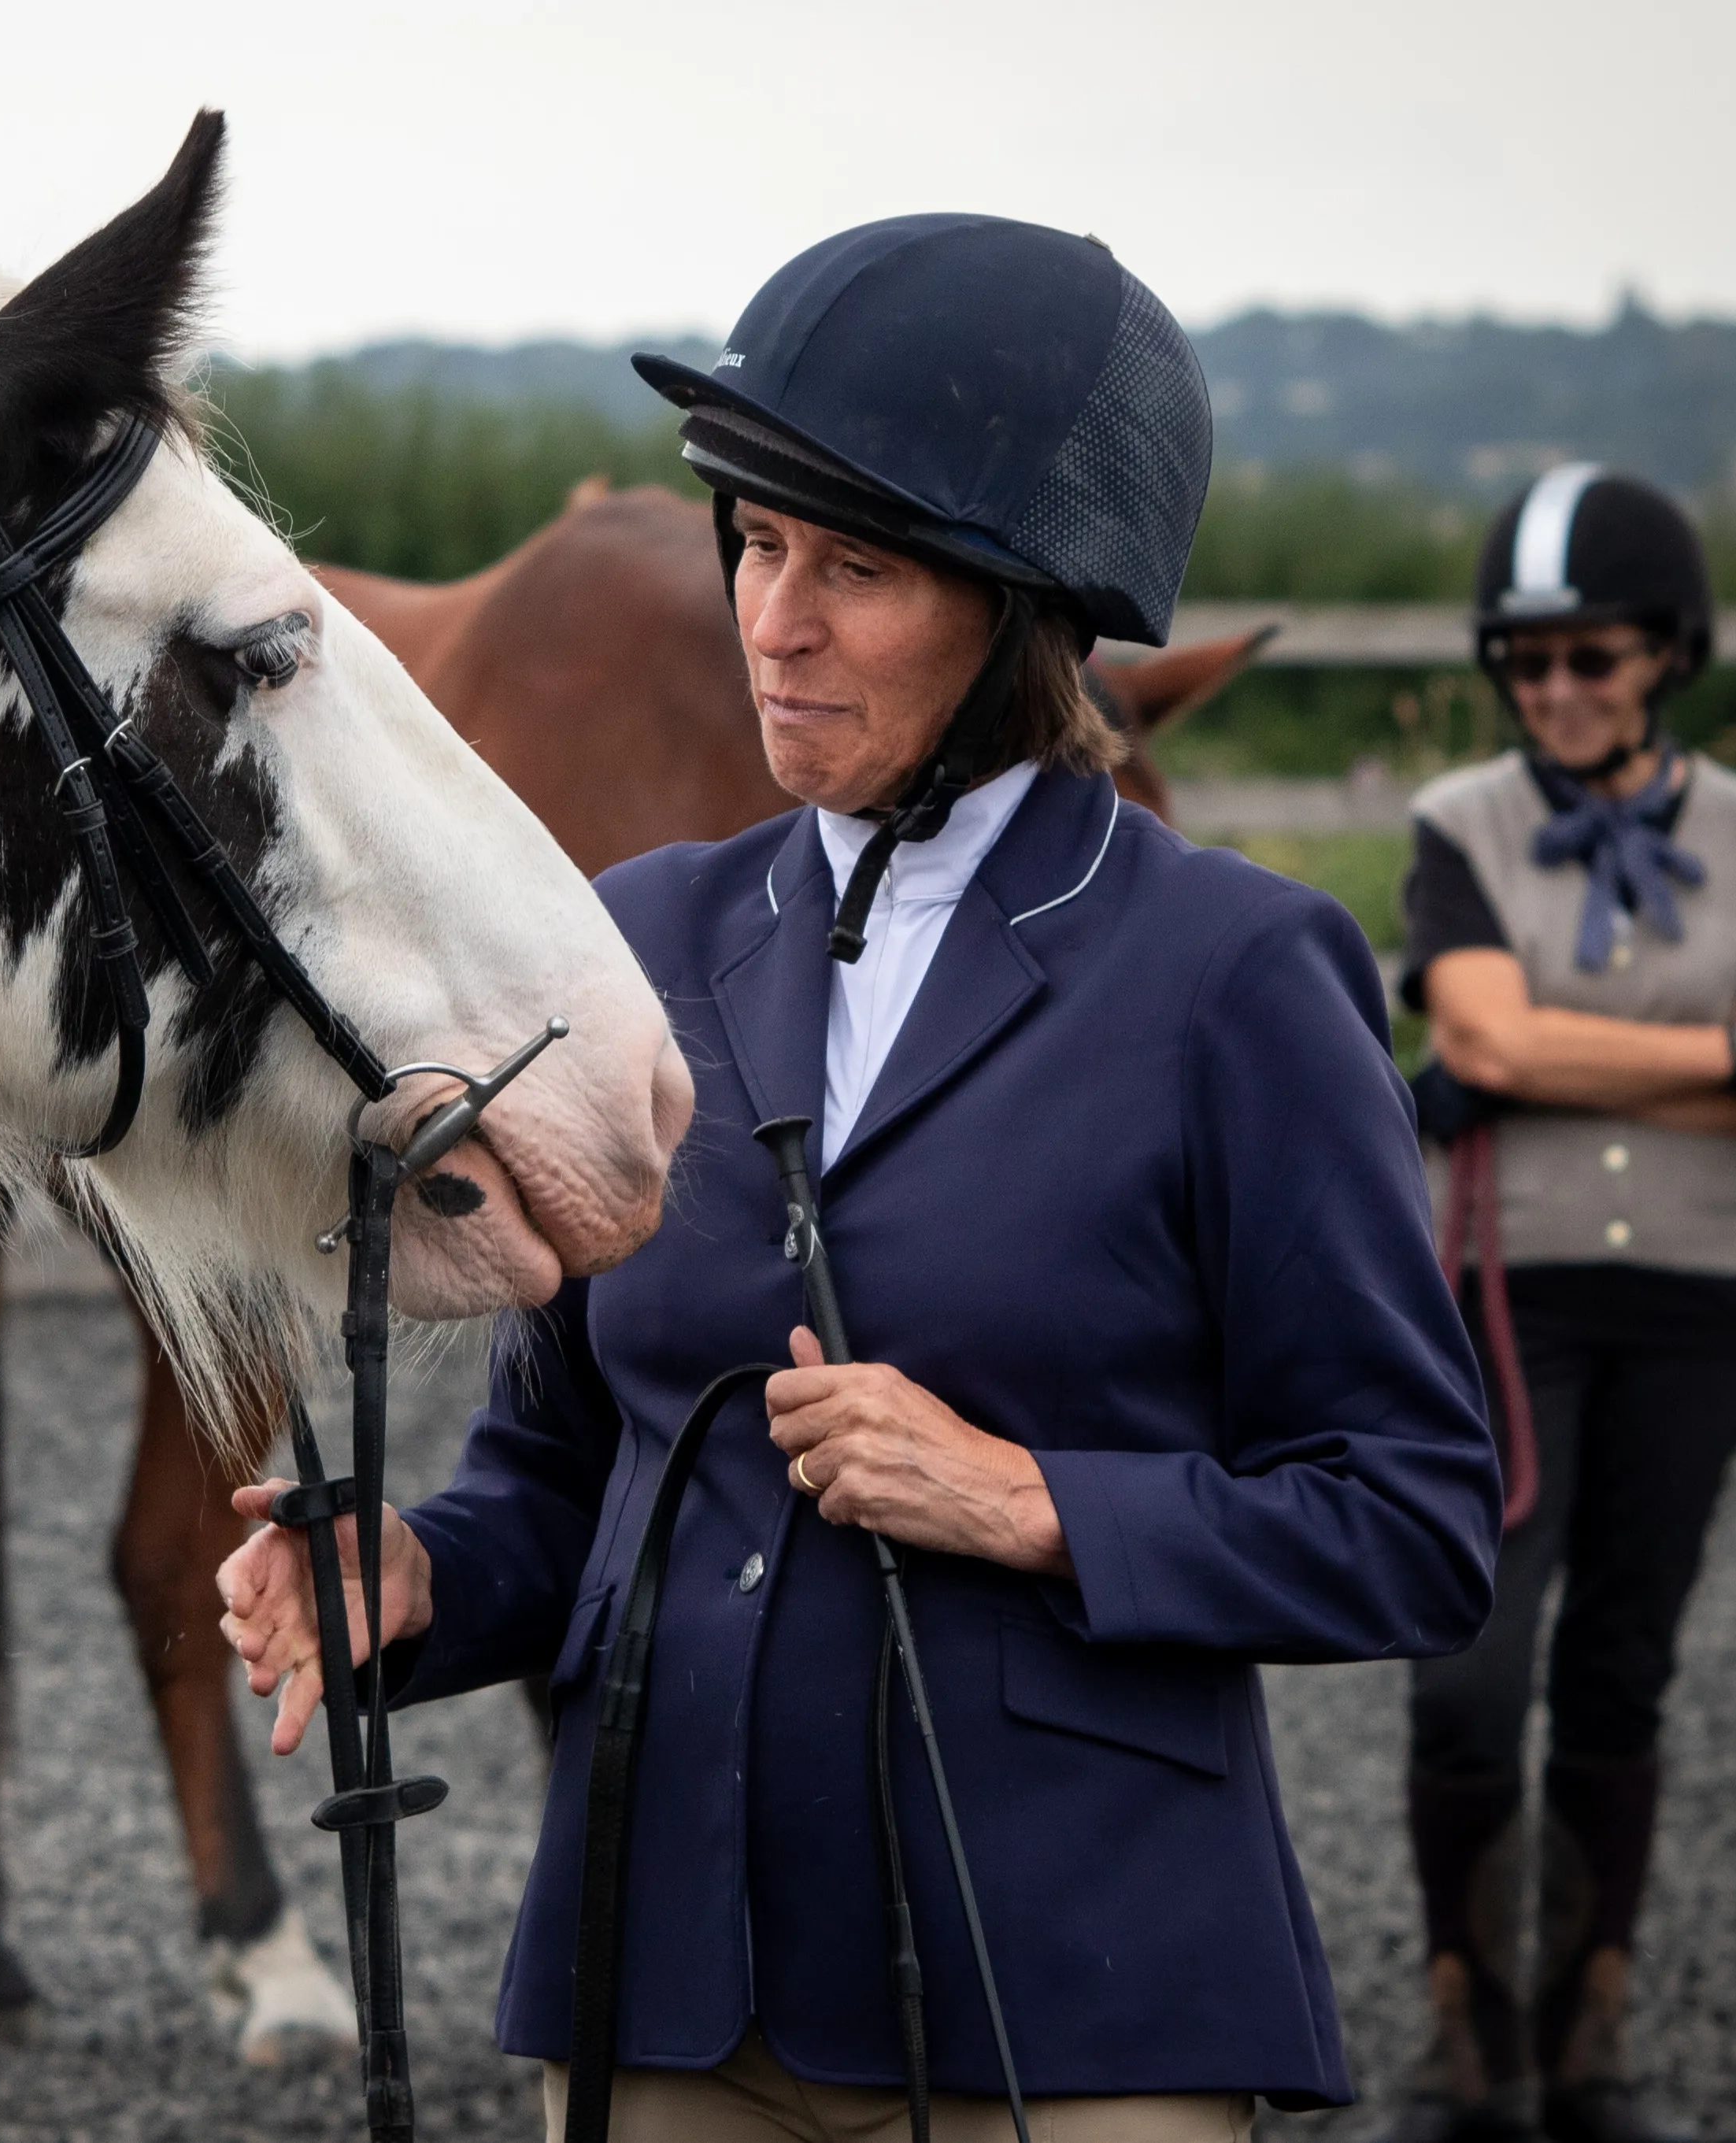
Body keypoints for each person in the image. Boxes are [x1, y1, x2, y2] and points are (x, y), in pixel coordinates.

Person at [217, 214, 1506, 2142]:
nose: (770, 618)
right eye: (754, 544)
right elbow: (565, 1472)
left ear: (1022, 606)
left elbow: (1411, 1514)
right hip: (661, 1978)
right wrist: (410, 1580)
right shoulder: (631, 938)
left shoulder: (1234, 972)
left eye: (857, 567)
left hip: (1068, 2000)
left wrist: (1030, 1501)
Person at [1390, 468, 1736, 2143]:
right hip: (1506, 1298)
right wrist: (1719, 1050)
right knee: (1464, 1673)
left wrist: (1545, 1056)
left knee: (1621, 1667)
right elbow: (1489, 1043)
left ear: (1662, 655)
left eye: (1589, 658)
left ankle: (1588, 2027)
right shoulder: (1458, 822)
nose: (1554, 691)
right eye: (1525, 663)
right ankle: (1460, 2023)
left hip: (1703, 1304)